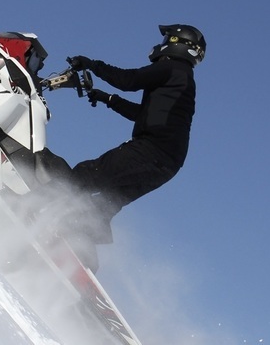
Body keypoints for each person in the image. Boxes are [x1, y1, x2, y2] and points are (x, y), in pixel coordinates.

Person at [36, 24, 205, 265]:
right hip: (168, 164)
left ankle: (29, 205)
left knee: (87, 174)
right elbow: (145, 114)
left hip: (151, 150)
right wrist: (108, 99)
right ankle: (79, 246)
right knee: (107, 201)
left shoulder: (173, 68)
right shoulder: (183, 80)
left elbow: (130, 80)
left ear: (179, 43)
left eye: (168, 38)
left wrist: (92, 64)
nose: (161, 43)